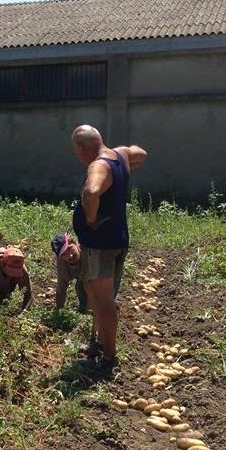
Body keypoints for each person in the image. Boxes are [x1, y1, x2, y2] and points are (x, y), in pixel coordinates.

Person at [71, 124, 147, 374]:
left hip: (101, 244)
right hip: (117, 238)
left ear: (83, 147)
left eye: (76, 150)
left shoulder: (99, 165)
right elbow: (141, 153)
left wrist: (91, 219)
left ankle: (108, 359)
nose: (76, 155)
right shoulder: (120, 155)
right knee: (93, 290)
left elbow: (92, 192)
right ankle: (100, 344)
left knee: (104, 301)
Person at [51, 233, 87, 313]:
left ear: (74, 242)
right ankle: (85, 310)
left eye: (69, 249)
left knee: (82, 286)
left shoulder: (88, 251)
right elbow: (61, 287)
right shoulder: (62, 263)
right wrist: (59, 310)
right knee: (81, 286)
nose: (69, 256)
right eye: (64, 254)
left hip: (105, 270)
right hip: (83, 275)